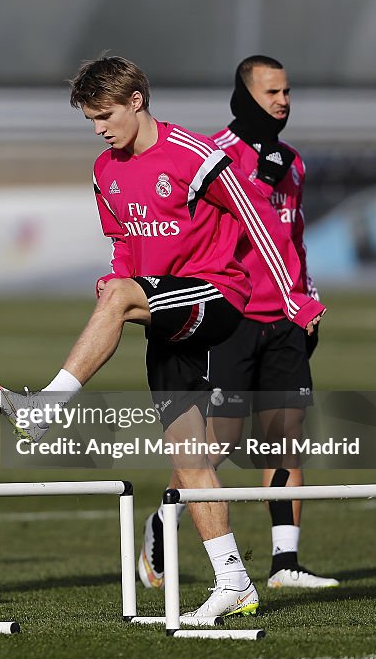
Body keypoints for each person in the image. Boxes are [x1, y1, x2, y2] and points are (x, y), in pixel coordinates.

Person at [0, 55, 324, 618]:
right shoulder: (104, 169)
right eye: (91, 120)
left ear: (137, 101)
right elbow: (121, 240)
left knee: (120, 297)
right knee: (191, 458)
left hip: (216, 296)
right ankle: (234, 582)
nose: (99, 129)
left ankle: (45, 407)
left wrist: (293, 298)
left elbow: (257, 221)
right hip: (164, 313)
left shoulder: (194, 155)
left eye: (105, 115)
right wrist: (116, 279)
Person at [137, 56, 338, 592]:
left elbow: (292, 241)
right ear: (246, 95)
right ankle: (166, 520)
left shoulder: (293, 163)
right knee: (217, 441)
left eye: (288, 91)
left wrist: (306, 298)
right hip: (232, 317)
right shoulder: (213, 157)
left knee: (286, 437)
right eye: (272, 92)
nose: (283, 101)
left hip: (288, 318)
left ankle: (285, 564)